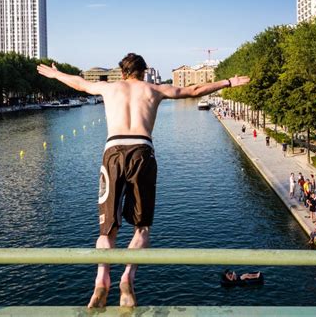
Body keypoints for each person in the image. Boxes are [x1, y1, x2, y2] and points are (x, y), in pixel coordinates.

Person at [37, 53, 250, 308]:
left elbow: (79, 83)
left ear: (122, 72)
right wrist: (228, 82)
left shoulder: (108, 88)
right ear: (144, 71)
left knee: (107, 231)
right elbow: (194, 90)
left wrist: (56, 74)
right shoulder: (154, 89)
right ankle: (128, 277)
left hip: (113, 153)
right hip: (142, 151)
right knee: (142, 229)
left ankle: (101, 280)